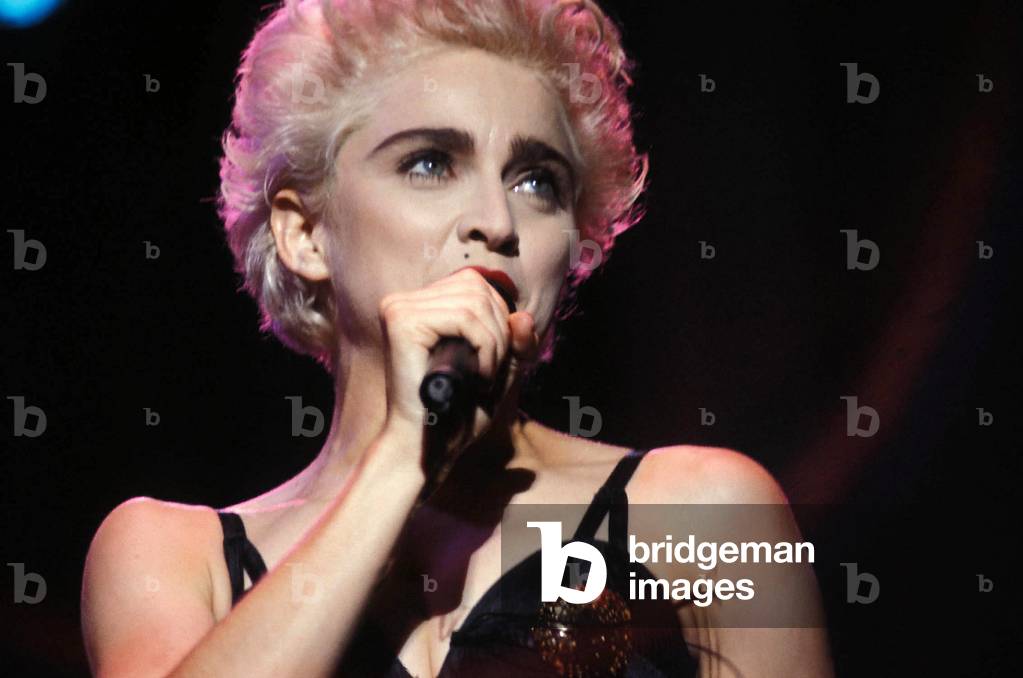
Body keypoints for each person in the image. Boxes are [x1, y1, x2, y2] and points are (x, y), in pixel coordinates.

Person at [81, 0, 834, 676]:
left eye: (536, 180)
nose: (497, 223)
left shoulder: (710, 509)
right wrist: (403, 459)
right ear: (304, 233)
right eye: (430, 163)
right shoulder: (169, 555)